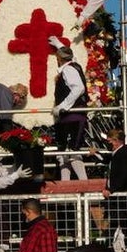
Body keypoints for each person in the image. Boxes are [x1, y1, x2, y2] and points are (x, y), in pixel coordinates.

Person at [90, 129, 127, 252]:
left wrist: (111, 190)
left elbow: (122, 175)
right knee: (118, 224)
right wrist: (96, 153)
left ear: (116, 141)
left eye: (110, 142)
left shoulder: (123, 154)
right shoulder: (120, 153)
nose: (109, 144)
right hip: (121, 198)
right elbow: (107, 159)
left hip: (125, 199)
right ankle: (116, 249)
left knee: (126, 225)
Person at [50, 43, 89, 181]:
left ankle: (84, 183)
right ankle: (65, 183)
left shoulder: (68, 70)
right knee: (64, 152)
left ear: (59, 58)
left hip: (72, 115)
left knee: (72, 151)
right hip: (70, 116)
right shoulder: (75, 65)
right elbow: (71, 55)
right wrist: (57, 43)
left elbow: (78, 88)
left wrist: (63, 106)